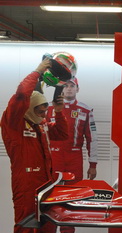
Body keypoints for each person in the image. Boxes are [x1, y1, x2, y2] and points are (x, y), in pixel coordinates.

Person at [1, 59, 68, 233]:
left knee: (48, 226)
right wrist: (37, 72)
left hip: (46, 183)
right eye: (40, 111)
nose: (44, 114)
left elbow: (62, 134)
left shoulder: (41, 124)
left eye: (45, 111)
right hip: (26, 186)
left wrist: (59, 112)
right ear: (29, 108)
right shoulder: (13, 123)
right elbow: (22, 95)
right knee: (27, 227)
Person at [46, 77, 98, 233]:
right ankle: (48, 229)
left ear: (77, 89)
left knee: (71, 198)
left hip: (74, 158)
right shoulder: (49, 109)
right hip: (53, 157)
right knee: (50, 197)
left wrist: (93, 164)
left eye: (72, 86)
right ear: (61, 89)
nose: (69, 89)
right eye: (66, 86)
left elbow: (92, 138)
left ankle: (68, 230)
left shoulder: (85, 110)